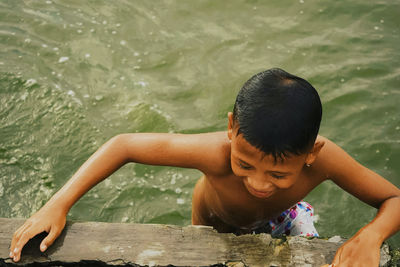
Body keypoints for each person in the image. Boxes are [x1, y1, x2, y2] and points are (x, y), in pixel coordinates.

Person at [9, 68, 400, 266]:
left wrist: (371, 234)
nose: (259, 184)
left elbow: (393, 199)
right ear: (231, 128)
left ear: (311, 154)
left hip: (286, 218)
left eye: (279, 175)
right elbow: (123, 145)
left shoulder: (325, 159)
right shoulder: (214, 152)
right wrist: (57, 204)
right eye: (244, 164)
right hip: (212, 225)